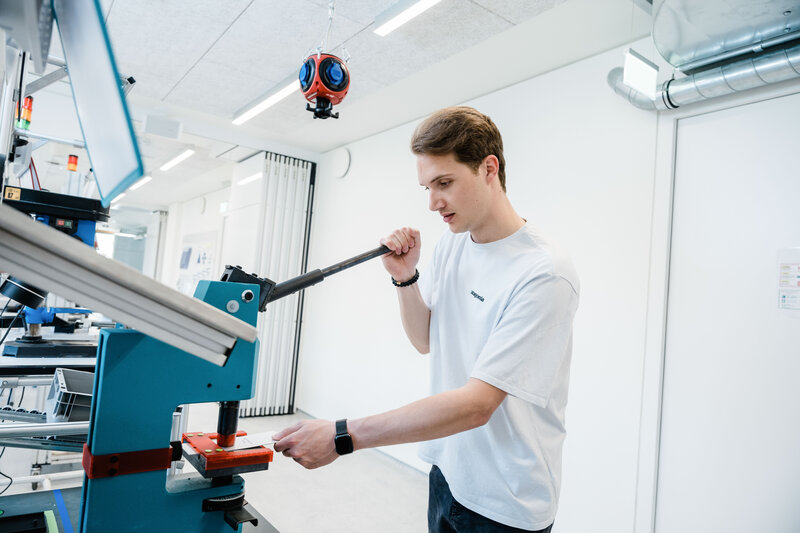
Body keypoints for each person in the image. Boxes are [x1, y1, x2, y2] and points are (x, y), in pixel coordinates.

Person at [273, 106, 579, 532]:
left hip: (506, 503)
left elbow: (477, 405)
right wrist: (405, 279)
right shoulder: (456, 243)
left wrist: (343, 435)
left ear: (489, 168)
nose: (433, 202)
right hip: (447, 471)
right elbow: (426, 340)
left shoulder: (543, 273)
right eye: (427, 187)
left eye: (444, 183)